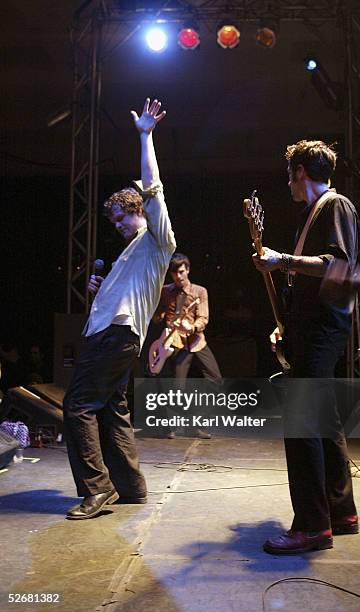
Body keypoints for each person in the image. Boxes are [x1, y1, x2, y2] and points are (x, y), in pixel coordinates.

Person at [63, 99, 176, 520]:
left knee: (77, 407)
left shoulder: (156, 242)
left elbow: (153, 186)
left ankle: (96, 489)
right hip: (111, 334)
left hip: (116, 336)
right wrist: (99, 291)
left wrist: (145, 136)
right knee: (113, 410)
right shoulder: (127, 257)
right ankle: (130, 487)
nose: (116, 226)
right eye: (111, 221)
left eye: (119, 218)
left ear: (139, 212)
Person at [252, 140, 358, 554]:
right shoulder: (312, 215)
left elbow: (339, 266)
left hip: (324, 330)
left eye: (290, 175)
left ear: (299, 172)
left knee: (302, 423)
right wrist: (287, 325)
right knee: (323, 420)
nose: (289, 184)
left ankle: (312, 526)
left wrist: (283, 260)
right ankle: (339, 511)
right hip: (310, 329)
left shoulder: (336, 206)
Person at [152, 253, 222, 438]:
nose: (178, 276)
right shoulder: (165, 291)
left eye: (181, 272)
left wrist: (191, 327)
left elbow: (203, 318)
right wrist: (159, 317)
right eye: (174, 273)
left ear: (188, 270)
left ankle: (200, 423)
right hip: (176, 342)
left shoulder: (199, 291)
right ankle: (177, 424)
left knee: (215, 380)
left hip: (196, 341)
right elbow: (157, 314)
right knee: (177, 388)